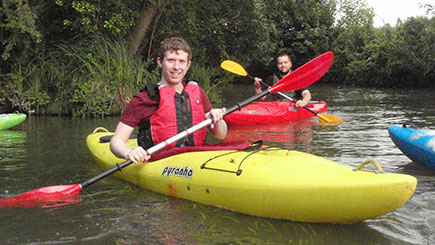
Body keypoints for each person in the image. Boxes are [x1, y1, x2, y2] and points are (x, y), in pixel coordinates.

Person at [110, 37, 227, 163]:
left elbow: (221, 135)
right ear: (160, 62)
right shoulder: (144, 99)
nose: (176, 67)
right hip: (158, 161)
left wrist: (217, 119)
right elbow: (116, 141)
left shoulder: (197, 93)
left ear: (188, 65)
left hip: (196, 158)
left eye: (182, 61)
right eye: (171, 60)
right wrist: (128, 152)